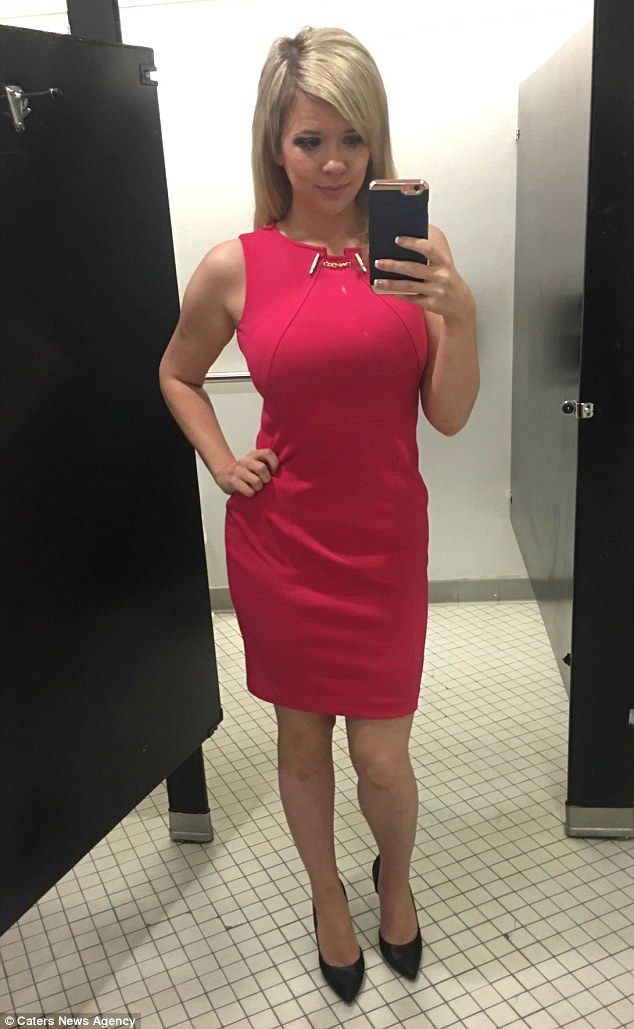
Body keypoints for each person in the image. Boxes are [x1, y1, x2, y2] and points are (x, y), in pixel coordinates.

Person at [159, 26, 478, 1003]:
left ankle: (395, 880)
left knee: (381, 758)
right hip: (283, 547)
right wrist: (223, 462)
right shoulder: (236, 264)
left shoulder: (418, 252)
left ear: (375, 140)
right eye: (309, 141)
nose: (333, 163)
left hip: (384, 544)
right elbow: (176, 372)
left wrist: (461, 313)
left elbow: (448, 415)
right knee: (302, 746)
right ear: (275, 144)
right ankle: (328, 896)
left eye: (351, 139)